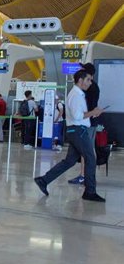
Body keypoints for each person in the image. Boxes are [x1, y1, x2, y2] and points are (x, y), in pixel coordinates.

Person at [34, 69, 106, 202]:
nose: (90, 83)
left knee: (70, 161)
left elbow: (80, 115)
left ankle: (43, 180)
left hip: (76, 131)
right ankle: (90, 191)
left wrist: (93, 113)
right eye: (88, 79)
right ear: (80, 80)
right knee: (90, 158)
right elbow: (78, 116)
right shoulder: (76, 95)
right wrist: (93, 112)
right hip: (78, 131)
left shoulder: (79, 95)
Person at [69, 63, 99, 185]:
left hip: (88, 122)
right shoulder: (88, 88)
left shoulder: (91, 88)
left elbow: (89, 107)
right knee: (85, 150)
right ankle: (85, 175)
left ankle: (85, 176)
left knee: (88, 150)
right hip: (86, 122)